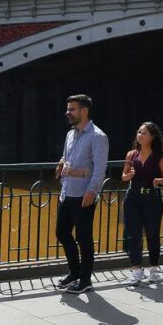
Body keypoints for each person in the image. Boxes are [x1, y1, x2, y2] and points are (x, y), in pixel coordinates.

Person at [54, 94, 109, 294]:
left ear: (84, 111)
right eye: (68, 109)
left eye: (72, 109)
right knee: (61, 232)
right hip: (67, 191)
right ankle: (75, 272)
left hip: (83, 194)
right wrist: (61, 163)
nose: (67, 112)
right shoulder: (71, 134)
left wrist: (91, 191)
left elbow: (100, 168)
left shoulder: (97, 136)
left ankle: (85, 280)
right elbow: (66, 155)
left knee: (84, 238)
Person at [121, 122, 163, 285]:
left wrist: (159, 181)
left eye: (144, 133)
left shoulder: (160, 156)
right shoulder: (131, 154)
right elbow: (123, 176)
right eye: (139, 132)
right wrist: (129, 176)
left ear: (153, 137)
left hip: (151, 198)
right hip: (133, 198)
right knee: (134, 234)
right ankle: (136, 269)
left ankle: (154, 268)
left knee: (152, 234)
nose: (140, 135)